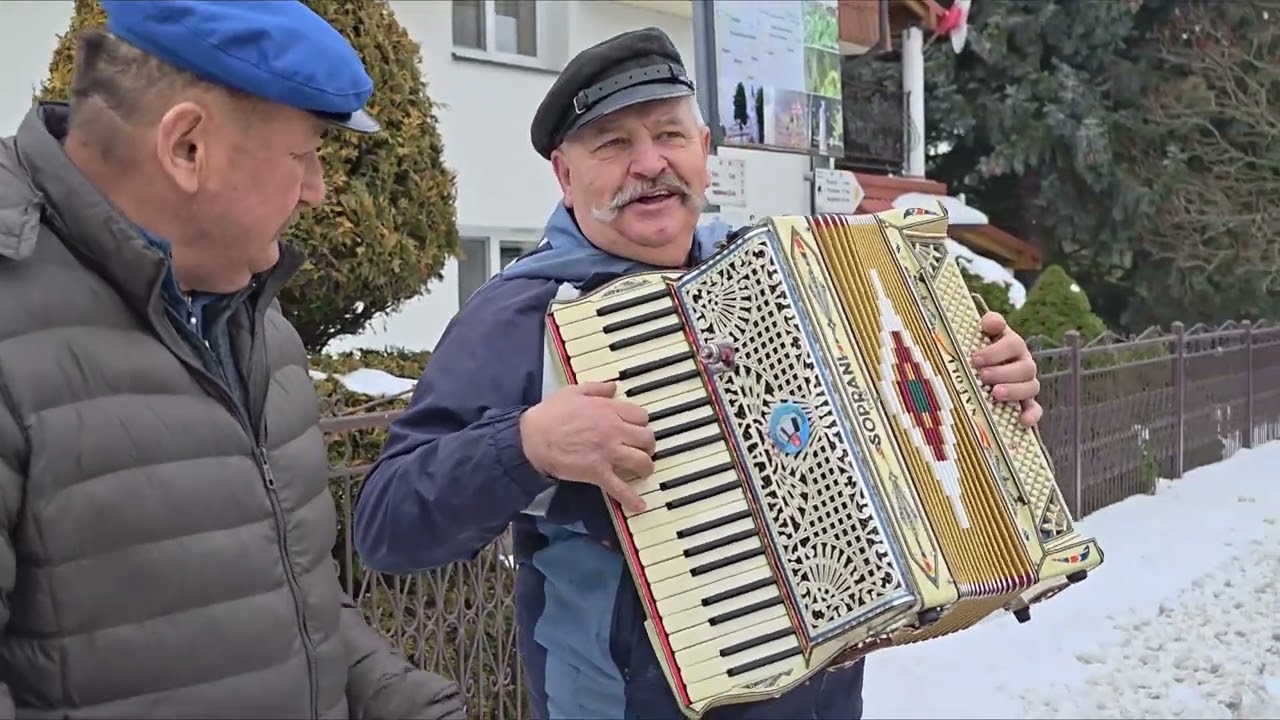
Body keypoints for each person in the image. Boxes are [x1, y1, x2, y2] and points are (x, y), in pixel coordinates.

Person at [353, 27, 1044, 720]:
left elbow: (893, 418)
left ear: (704, 152)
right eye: (613, 144)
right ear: (566, 177)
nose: (649, 163)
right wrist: (527, 444)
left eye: (669, 135)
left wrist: (988, 389)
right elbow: (387, 524)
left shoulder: (782, 271)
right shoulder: (521, 315)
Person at [0, 1, 466, 717]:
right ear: (186, 146)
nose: (316, 190)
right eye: (305, 153)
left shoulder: (253, 317)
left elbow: (292, 596)